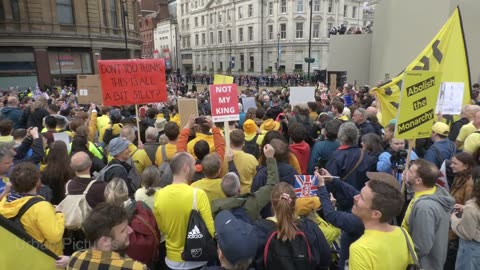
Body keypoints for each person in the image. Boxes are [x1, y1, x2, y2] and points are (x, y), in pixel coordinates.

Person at [153, 152, 215, 270]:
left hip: (172, 260)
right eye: (193, 165)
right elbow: (210, 229)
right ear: (186, 168)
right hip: (197, 259)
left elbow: (162, 228)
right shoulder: (198, 194)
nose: (195, 169)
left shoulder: (159, 195)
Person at [253, 182, 331, 270]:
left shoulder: (259, 230)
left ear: (272, 204)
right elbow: (325, 259)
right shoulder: (310, 228)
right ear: (295, 203)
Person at [346, 174, 414, 269]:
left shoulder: (360, 249)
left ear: (376, 214)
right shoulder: (403, 233)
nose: (355, 197)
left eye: (361, 198)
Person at [0, 162, 65, 255]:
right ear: (37, 182)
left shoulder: (5, 201)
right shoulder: (41, 207)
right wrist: (59, 214)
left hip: (19, 254)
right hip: (44, 257)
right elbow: (54, 236)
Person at [402, 159, 455, 269]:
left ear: (418, 180)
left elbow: (421, 246)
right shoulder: (430, 192)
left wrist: (400, 257)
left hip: (421, 265)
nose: (406, 172)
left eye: (410, 171)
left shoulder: (425, 208)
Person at [67, 203, 147, 270]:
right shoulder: (136, 268)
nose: (130, 231)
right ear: (105, 241)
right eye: (123, 230)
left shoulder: (74, 259)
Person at [212, 144, 279, 221]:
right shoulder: (252, 203)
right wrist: (270, 158)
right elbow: (272, 185)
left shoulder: (215, 207)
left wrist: (231, 162)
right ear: (239, 188)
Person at [326, 122, 376, 205]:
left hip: (341, 200)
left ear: (341, 137)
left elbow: (330, 181)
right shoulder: (366, 156)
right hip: (361, 199)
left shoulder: (336, 156)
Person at [450, 175, 480, 270]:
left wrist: (454, 219)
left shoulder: (471, 208)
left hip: (471, 249)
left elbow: (466, 234)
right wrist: (464, 209)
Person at [220, 129, 258, 194]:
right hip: (246, 195)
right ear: (243, 143)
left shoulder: (222, 157)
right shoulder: (251, 159)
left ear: (230, 142)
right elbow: (255, 177)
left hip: (226, 194)